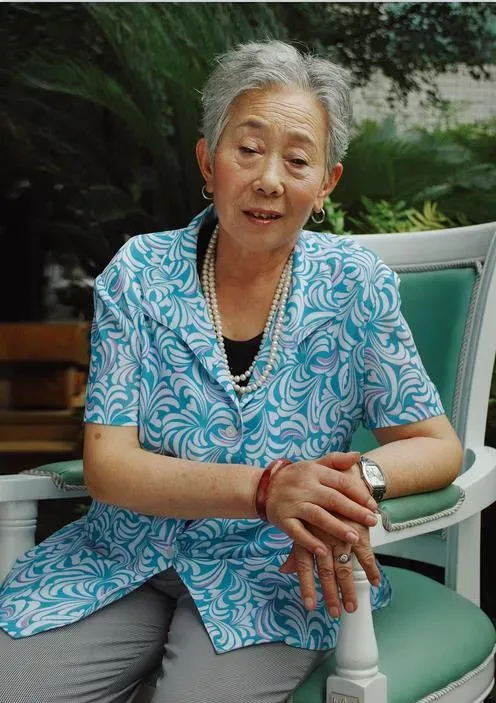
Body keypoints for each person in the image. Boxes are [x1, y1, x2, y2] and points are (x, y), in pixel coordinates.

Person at [0, 40, 462, 703]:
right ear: (207, 162)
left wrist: (346, 486)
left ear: (326, 184)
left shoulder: (355, 286)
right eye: (248, 149)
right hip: (122, 559)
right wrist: (267, 486)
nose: (269, 178)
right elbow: (108, 463)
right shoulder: (139, 274)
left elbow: (436, 444)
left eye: (297, 159)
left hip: (273, 573)